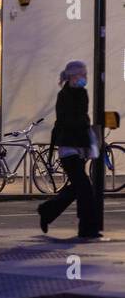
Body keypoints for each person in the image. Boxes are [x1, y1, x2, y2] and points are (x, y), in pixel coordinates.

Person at [39, 60, 102, 239]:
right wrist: (84, 128)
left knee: (77, 188)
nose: (85, 78)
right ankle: (87, 229)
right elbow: (68, 121)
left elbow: (82, 118)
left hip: (79, 146)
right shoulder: (64, 95)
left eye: (85, 74)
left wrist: (86, 143)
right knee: (85, 189)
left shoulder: (82, 93)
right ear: (73, 76)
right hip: (68, 148)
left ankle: (47, 211)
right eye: (82, 74)